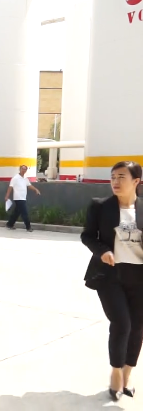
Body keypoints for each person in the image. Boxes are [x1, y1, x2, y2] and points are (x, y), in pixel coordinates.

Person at [81, 161, 143, 402]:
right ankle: (116, 371)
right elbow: (88, 236)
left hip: (139, 277)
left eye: (121, 177)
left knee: (138, 326)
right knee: (122, 323)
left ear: (136, 181)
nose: (115, 182)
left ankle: (127, 372)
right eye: (113, 177)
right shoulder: (100, 206)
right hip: (109, 275)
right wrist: (103, 251)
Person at [5, 165, 40, 232]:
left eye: (25, 169)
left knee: (16, 213)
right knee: (24, 213)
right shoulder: (15, 178)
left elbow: (29, 186)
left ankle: (9, 224)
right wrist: (7, 196)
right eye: (22, 169)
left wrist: (35, 190)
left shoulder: (25, 179)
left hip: (23, 197)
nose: (23, 170)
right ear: (20, 169)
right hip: (18, 198)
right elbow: (10, 187)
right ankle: (28, 227)